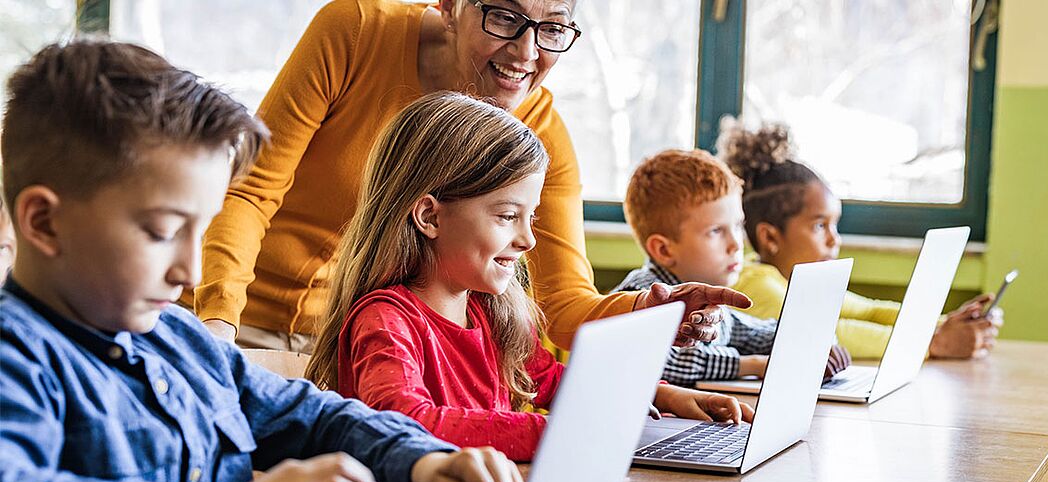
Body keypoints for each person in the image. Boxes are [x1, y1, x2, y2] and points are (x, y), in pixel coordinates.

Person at [0, 40, 524, 482]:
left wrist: (425, 463)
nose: (190, 270)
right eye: (162, 232)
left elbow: (315, 417)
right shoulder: (16, 359)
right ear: (44, 222)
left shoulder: (178, 337)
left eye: (200, 231)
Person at [188, 0, 749, 353]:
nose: (527, 52)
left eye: (553, 28)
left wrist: (651, 313)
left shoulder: (540, 133)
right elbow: (249, 191)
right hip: (238, 325)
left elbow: (564, 305)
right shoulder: (353, 31)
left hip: (358, 350)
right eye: (504, 17)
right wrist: (216, 326)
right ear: (451, 5)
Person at [305, 92, 754, 461]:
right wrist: (556, 434)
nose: (528, 240)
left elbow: (557, 381)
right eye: (506, 216)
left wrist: (659, 396)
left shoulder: (486, 313)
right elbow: (404, 421)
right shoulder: (386, 320)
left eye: (530, 218)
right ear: (429, 215)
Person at [717, 122, 1001, 359]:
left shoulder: (795, 280)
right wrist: (935, 343)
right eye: (819, 226)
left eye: (834, 225)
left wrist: (946, 324)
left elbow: (869, 311)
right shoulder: (757, 285)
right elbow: (829, 336)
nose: (834, 240)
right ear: (770, 237)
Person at [614, 149, 851, 386]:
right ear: (664, 250)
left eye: (737, 226)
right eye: (716, 231)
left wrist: (814, 342)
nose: (736, 244)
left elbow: (754, 334)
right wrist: (755, 365)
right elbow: (664, 361)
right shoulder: (640, 295)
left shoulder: (711, 303)